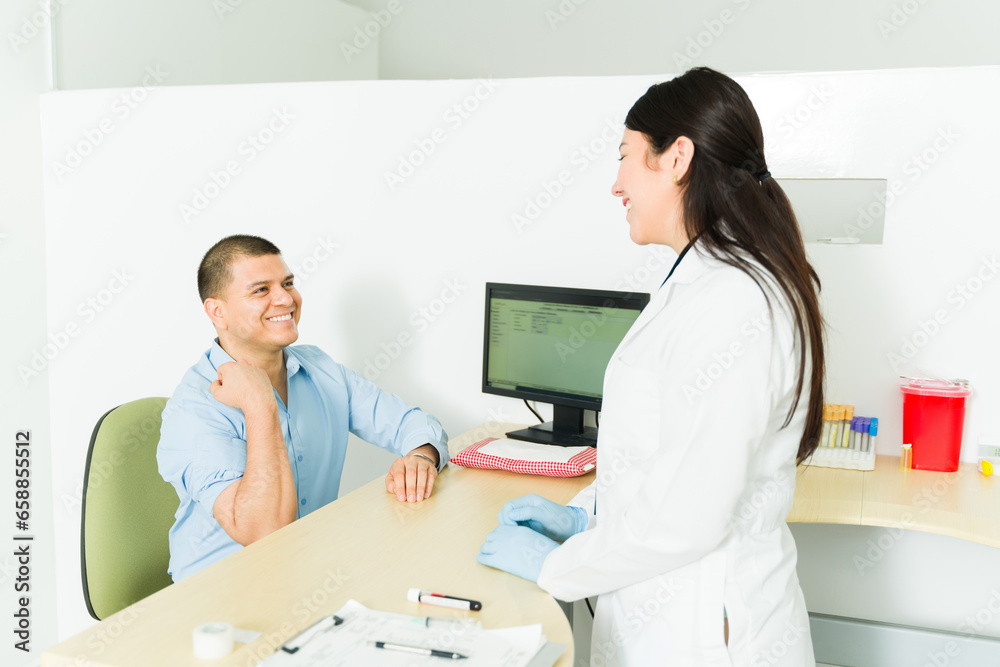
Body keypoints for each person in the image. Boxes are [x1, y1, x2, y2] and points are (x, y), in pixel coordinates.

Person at [477, 67, 825, 666]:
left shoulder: (733, 300)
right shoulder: (700, 279)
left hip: (703, 630)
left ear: (677, 158)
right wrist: (580, 514)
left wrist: (557, 565)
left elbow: (687, 516)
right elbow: (658, 454)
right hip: (667, 611)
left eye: (626, 157)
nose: (616, 184)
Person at [158, 234, 449, 581]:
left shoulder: (320, 370)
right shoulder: (193, 409)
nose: (285, 299)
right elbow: (264, 533)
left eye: (288, 283)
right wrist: (260, 404)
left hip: (310, 569)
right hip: (221, 591)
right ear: (217, 311)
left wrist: (420, 457)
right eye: (261, 290)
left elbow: (412, 424)